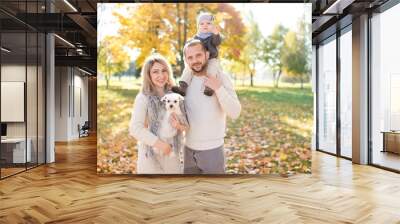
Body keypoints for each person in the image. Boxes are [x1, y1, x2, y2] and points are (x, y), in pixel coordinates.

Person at [182, 39, 241, 174]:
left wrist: (218, 89)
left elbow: (235, 112)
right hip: (188, 150)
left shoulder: (221, 77)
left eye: (198, 55)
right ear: (186, 60)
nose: (195, 60)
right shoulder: (185, 83)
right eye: (190, 57)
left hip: (212, 151)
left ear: (207, 55)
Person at [129, 54, 188, 174]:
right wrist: (162, 145)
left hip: (173, 154)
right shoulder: (143, 98)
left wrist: (179, 127)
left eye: (164, 70)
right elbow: (135, 128)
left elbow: (186, 125)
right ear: (149, 75)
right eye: (155, 72)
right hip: (150, 155)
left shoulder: (175, 96)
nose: (161, 75)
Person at [172, 12, 222, 97]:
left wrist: (216, 34)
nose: (205, 25)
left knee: (212, 69)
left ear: (213, 26)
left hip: (211, 58)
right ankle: (182, 87)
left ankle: (209, 87)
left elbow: (217, 42)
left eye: (208, 23)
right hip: (198, 60)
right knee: (188, 69)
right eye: (201, 24)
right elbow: (190, 47)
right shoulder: (196, 38)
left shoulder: (213, 37)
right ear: (198, 26)